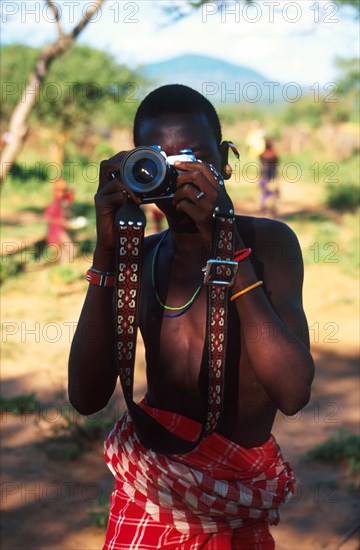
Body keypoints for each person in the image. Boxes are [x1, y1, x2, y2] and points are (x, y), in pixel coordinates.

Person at [68, 85, 314, 549]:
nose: (182, 178)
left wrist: (227, 247)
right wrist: (107, 251)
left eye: (194, 160)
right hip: (148, 497)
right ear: (140, 171)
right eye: (161, 162)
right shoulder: (138, 256)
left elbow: (294, 392)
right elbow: (85, 397)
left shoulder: (269, 245)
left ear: (224, 161)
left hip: (230, 506)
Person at [44, 178, 74, 260]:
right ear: (55, 191)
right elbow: (48, 217)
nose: (62, 193)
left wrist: (71, 192)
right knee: (70, 249)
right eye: (59, 191)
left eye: (64, 191)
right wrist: (62, 222)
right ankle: (64, 267)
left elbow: (69, 198)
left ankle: (64, 266)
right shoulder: (55, 202)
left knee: (65, 250)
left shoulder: (64, 199)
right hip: (58, 230)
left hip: (63, 229)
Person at [258, 138, 280, 217]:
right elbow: (276, 166)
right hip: (271, 178)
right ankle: (271, 211)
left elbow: (261, 166)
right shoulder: (274, 155)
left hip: (264, 178)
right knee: (273, 194)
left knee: (264, 194)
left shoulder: (262, 154)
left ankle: (265, 209)